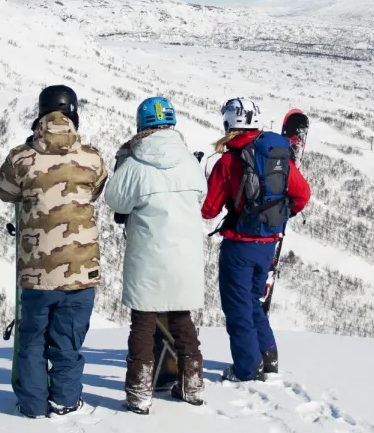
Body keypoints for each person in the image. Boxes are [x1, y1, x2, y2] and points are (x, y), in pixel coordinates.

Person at [0, 84, 107, 418]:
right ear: (73, 114)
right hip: (81, 270)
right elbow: (96, 189)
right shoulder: (91, 157)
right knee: (67, 343)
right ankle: (67, 401)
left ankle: (32, 405)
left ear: (40, 115)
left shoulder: (21, 157)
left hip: (36, 271)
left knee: (31, 342)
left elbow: (4, 191)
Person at [104, 96, 208, 414]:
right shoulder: (189, 161)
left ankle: (139, 392)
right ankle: (192, 385)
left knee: (144, 326)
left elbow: (115, 201)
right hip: (186, 258)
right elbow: (201, 197)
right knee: (182, 321)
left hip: (148, 258)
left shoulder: (135, 165)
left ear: (141, 125)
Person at [201, 97, 311, 382]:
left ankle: (247, 370)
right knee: (252, 302)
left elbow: (208, 210)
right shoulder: (276, 154)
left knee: (238, 308)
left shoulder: (227, 161)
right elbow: (302, 195)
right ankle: (269, 358)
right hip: (267, 244)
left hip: (239, 245)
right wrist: (279, 215)